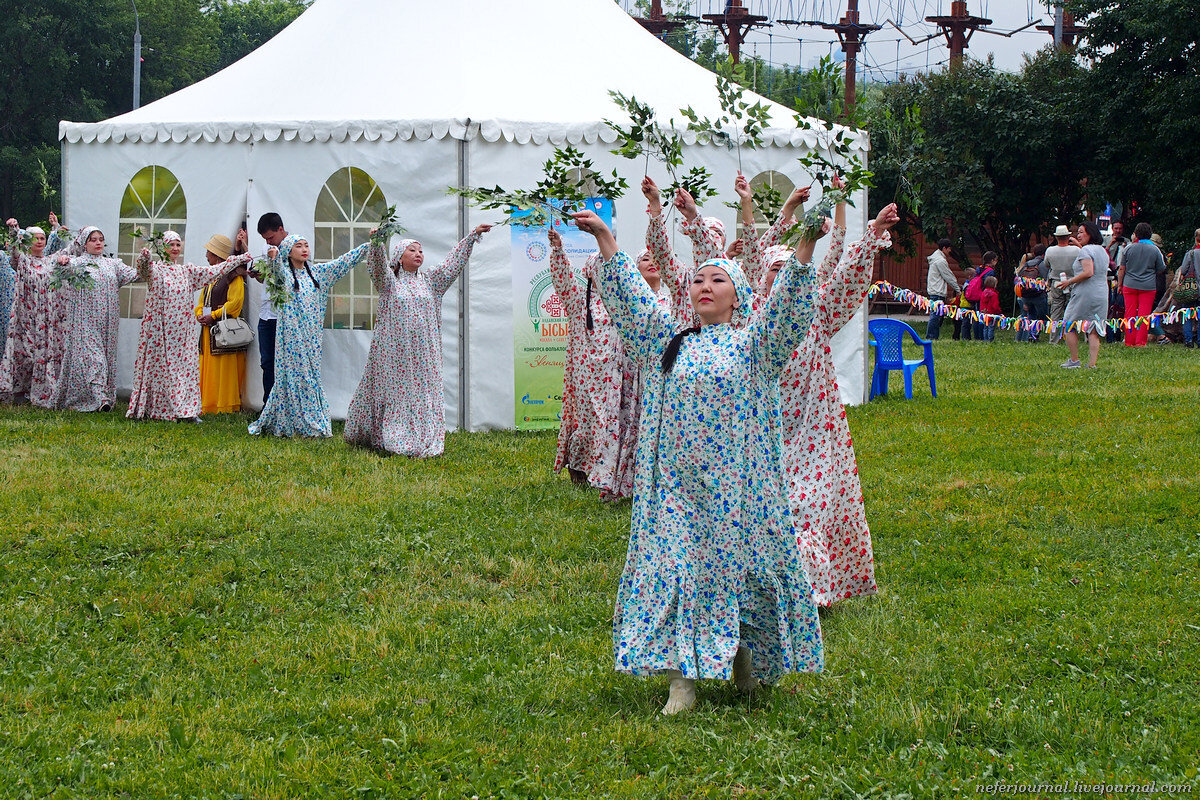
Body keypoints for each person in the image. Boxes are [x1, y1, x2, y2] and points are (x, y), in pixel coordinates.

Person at [572, 208, 823, 716]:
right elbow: (633, 303)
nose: (705, 286)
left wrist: (805, 250)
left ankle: (744, 665)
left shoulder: (756, 345)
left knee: (741, 573)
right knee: (674, 572)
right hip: (675, 492)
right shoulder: (669, 341)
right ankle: (681, 684)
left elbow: (788, 312)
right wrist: (605, 238)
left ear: (739, 295)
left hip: (737, 496)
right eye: (699, 279)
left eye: (718, 279)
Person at [773, 198, 899, 606]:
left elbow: (847, 279)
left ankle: (809, 592)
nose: (782, 277)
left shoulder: (818, 311)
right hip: (764, 439)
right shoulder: (749, 321)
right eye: (773, 271)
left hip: (812, 436)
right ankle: (769, 592)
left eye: (787, 270)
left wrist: (875, 231)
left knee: (807, 507)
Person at [343, 224, 491, 457]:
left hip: (424, 352)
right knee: (398, 392)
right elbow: (378, 269)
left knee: (422, 391)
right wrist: (377, 243)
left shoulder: (431, 281)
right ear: (399, 258)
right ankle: (393, 433)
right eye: (411, 250)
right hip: (396, 352)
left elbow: (452, 264)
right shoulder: (390, 284)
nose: (418, 254)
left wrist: (473, 236)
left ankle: (422, 433)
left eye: (420, 250)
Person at [541, 229, 635, 497]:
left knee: (612, 422)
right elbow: (563, 281)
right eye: (599, 269)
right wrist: (558, 250)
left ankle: (609, 473)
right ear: (590, 273)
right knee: (587, 422)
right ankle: (582, 471)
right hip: (586, 375)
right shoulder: (579, 302)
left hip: (616, 376)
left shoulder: (623, 302)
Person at [248, 234, 369, 437]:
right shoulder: (284, 274)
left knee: (309, 376)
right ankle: (290, 421)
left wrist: (365, 247)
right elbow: (276, 271)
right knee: (293, 375)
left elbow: (342, 263)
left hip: (312, 337)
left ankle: (310, 420)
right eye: (298, 246)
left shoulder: (318, 273)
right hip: (290, 337)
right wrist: (274, 256)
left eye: (306, 245)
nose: (304, 249)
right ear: (289, 251)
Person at [127, 231, 253, 422]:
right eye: (171, 244)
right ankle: (159, 408)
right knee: (161, 369)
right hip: (160, 330)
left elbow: (215, 271)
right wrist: (143, 259)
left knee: (184, 369)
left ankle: (186, 410)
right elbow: (143, 271)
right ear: (162, 247)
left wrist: (239, 258)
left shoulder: (187, 271)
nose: (176, 248)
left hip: (182, 333)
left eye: (178, 244)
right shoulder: (156, 270)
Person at [50, 227, 139, 411]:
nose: (98, 243)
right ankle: (101, 400)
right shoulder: (77, 263)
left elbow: (136, 275)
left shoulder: (113, 264)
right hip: (84, 321)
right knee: (94, 359)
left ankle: (92, 397)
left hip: (108, 322)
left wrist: (147, 262)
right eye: (93, 239)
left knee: (104, 359)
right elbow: (59, 272)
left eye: (101, 239)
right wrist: (62, 262)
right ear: (84, 243)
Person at [2, 216, 67, 404]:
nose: (39, 241)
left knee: (42, 353)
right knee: (24, 352)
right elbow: (13, 251)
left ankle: (38, 388)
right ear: (28, 242)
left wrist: (62, 236)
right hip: (25, 315)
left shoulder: (49, 261)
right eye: (35, 238)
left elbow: (69, 252)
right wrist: (14, 230)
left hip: (45, 317)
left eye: (42, 238)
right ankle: (18, 389)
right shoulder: (22, 260)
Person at [196, 234, 253, 414]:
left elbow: (235, 304)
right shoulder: (211, 276)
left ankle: (224, 405)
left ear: (216, 254)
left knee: (223, 368)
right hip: (208, 331)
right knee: (209, 367)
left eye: (208, 252)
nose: (206, 256)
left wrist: (213, 315)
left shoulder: (233, 276)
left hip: (224, 332)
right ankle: (208, 403)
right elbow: (201, 301)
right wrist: (199, 314)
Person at [1058, 220, 1111, 368]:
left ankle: (1074, 360)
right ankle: (1092, 364)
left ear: (1091, 233)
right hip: (1101, 293)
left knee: (1069, 323)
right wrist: (1079, 245)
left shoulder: (1085, 251)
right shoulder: (1102, 251)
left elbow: (1088, 272)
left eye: (1081, 232)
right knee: (1094, 328)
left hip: (1085, 293)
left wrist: (1069, 282)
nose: (1078, 235)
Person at [254, 213, 288, 402]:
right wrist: (258, 274)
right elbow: (266, 279)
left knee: (284, 362)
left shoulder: (295, 247)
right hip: (266, 314)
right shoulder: (267, 248)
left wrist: (275, 261)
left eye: (270, 237)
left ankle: (284, 404)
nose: (268, 242)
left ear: (280, 230)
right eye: (265, 239)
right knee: (267, 362)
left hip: (283, 313)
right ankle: (268, 404)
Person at [1116, 223, 1166, 347]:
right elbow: (1161, 268)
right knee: (1144, 315)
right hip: (1148, 286)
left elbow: (1122, 268)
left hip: (1129, 284)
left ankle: (1129, 341)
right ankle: (1140, 342)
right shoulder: (1155, 249)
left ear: (1136, 234)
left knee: (1129, 313)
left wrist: (1120, 284)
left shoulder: (1129, 248)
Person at [1044, 224, 1080, 336]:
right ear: (1068, 237)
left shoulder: (1050, 250)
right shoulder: (1076, 250)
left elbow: (1046, 265)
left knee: (1055, 310)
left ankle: (1053, 338)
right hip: (1072, 281)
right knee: (1072, 309)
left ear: (1056, 237)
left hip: (1056, 282)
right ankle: (1071, 334)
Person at [925, 238, 958, 339]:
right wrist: (957, 288)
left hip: (934, 290)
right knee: (935, 316)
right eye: (949, 249)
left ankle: (934, 336)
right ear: (944, 248)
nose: (950, 251)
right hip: (937, 292)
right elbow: (948, 275)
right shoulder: (940, 261)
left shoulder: (936, 258)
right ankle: (931, 336)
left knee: (938, 315)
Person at [1016, 244, 1049, 342]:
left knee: (1030, 315)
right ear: (1044, 254)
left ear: (1034, 253)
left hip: (1026, 295)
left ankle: (1029, 335)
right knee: (1043, 316)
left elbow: (1020, 277)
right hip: (1039, 295)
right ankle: (1035, 334)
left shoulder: (1028, 263)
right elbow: (1046, 278)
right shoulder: (1044, 264)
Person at [1173, 228, 1200, 347]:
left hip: (1191, 288)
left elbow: (1183, 270)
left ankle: (1188, 340)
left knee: (1188, 313)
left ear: (1195, 239)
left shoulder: (1191, 253)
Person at [952, 267, 975, 340]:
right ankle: (965, 337)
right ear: (970, 276)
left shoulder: (967, 284)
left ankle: (965, 337)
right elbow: (967, 296)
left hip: (965, 306)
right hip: (966, 306)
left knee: (966, 323)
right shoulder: (967, 286)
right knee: (965, 323)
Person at [980, 274, 1001, 341]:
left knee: (985, 327)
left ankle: (985, 339)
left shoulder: (983, 292)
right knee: (991, 327)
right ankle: (990, 340)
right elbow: (995, 305)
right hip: (991, 314)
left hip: (984, 313)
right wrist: (998, 312)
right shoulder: (994, 294)